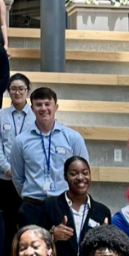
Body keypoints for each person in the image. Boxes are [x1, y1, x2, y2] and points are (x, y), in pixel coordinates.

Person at [11, 87, 89, 228]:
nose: (43, 108)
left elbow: (83, 172)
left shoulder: (73, 138)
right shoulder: (20, 141)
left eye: (47, 104)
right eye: (39, 104)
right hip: (32, 207)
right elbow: (18, 177)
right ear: (32, 108)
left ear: (56, 107)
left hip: (63, 205)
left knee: (63, 249)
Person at [40, 156, 111, 256]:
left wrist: (105, 240)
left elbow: (109, 250)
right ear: (65, 177)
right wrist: (52, 235)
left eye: (85, 173)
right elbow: (36, 239)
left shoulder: (102, 211)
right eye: (74, 173)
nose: (80, 177)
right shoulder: (50, 205)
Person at [0, 74, 34, 256]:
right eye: (13, 89)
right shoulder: (1, 115)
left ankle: (24, 253)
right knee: (6, 218)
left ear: (28, 91)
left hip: (28, 178)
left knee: (24, 217)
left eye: (21, 89)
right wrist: (7, 167)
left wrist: (22, 172)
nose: (17, 92)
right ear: (8, 91)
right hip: (4, 176)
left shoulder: (35, 116)